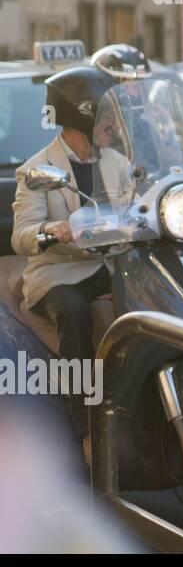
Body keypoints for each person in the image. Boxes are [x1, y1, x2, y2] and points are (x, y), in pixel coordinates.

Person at [11, 66, 116, 466]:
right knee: (73, 313)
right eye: (106, 119)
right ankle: (86, 426)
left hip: (107, 265)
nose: (112, 126)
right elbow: (21, 237)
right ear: (83, 120)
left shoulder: (117, 162)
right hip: (58, 274)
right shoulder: (38, 169)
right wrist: (54, 230)